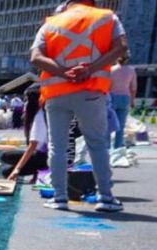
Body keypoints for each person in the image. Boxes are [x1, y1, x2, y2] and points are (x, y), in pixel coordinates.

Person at [30, 0, 126, 212]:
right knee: (97, 144)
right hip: (90, 90)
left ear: (67, 4)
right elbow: (120, 47)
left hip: (56, 92)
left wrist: (64, 72)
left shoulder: (51, 23)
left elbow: (36, 57)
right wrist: (89, 69)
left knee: (58, 147)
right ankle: (105, 197)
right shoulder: (107, 17)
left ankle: (59, 197)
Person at [2, 85, 49, 179]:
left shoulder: (40, 116)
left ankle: (42, 169)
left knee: (5, 158)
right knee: (7, 170)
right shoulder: (47, 112)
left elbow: (32, 146)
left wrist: (17, 169)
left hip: (44, 157)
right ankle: (40, 170)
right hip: (50, 156)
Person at [109, 54, 136, 149]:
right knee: (121, 125)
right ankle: (118, 147)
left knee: (109, 123)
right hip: (125, 97)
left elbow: (108, 86)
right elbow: (133, 88)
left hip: (112, 97)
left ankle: (107, 147)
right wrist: (132, 101)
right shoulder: (131, 70)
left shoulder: (111, 70)